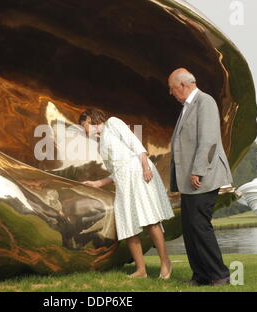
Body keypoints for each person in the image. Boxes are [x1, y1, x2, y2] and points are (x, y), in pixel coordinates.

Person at [79, 108, 174, 279]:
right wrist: (98, 183)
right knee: (127, 225)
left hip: (138, 173)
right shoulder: (101, 145)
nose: (84, 129)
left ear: (90, 119)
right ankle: (141, 270)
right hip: (123, 183)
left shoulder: (113, 123)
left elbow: (135, 145)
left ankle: (165, 262)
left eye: (84, 124)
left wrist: (145, 168)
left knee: (150, 220)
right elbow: (116, 171)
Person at [168, 68, 233, 286]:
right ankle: (201, 275)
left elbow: (209, 140)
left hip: (202, 177)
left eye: (172, 89)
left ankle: (220, 275)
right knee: (190, 228)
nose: (171, 93)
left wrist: (198, 170)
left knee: (200, 226)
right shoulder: (188, 106)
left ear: (183, 85)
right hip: (189, 179)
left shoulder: (205, 102)